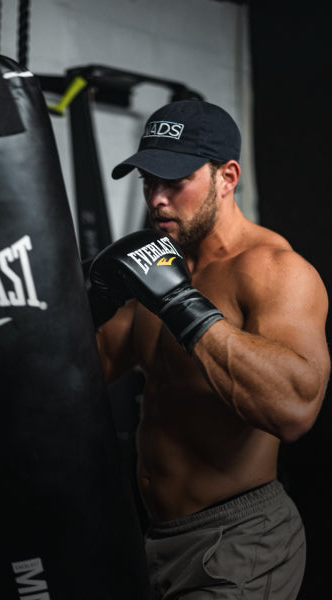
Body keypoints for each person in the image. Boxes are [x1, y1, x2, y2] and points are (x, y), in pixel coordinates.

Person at [88, 100, 330, 599]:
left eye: (174, 182)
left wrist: (181, 304)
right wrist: (92, 305)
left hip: (239, 542)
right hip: (154, 539)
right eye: (147, 182)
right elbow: (88, 374)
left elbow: (294, 410)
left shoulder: (274, 270)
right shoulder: (155, 267)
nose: (156, 200)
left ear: (227, 176)